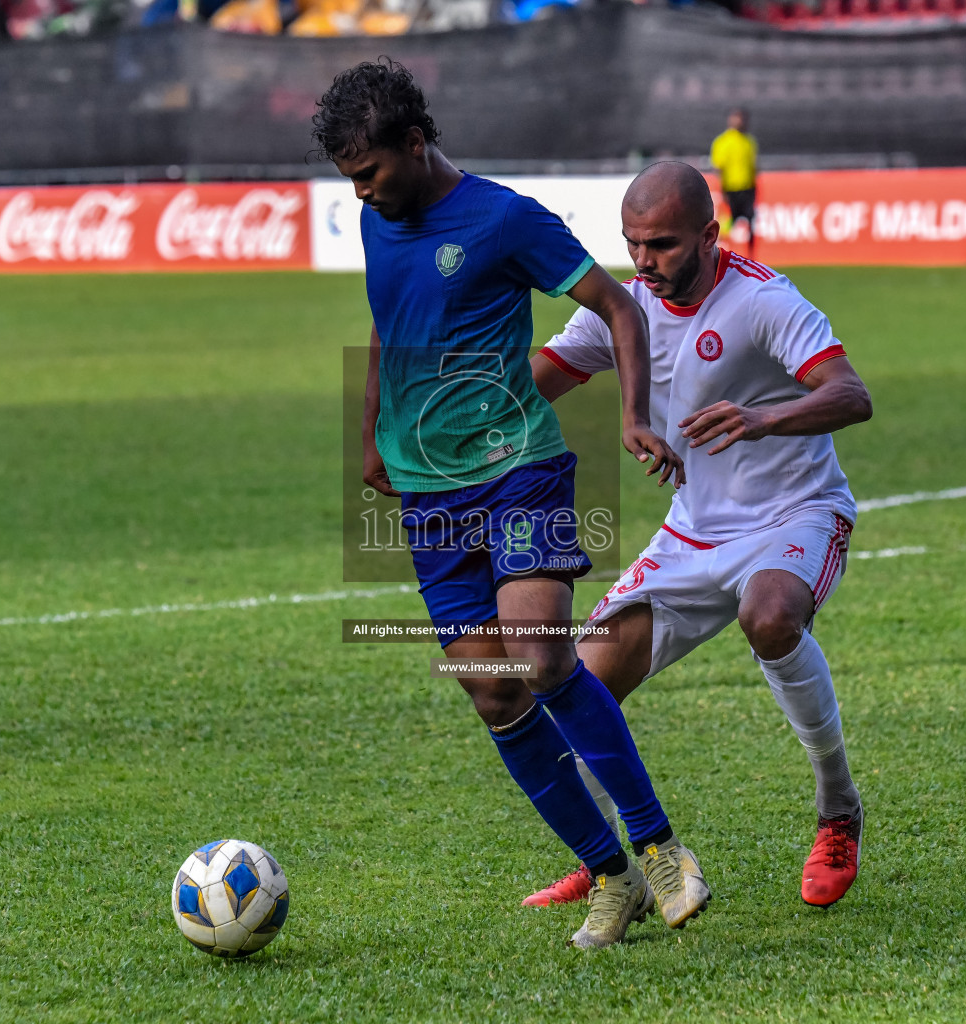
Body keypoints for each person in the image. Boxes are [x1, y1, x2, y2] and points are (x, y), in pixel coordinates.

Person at [313, 59, 709, 949]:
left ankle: (659, 849)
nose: (364, 193)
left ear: (415, 144)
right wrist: (372, 431)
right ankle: (610, 877)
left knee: (538, 654)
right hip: (426, 494)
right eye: (350, 179)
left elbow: (618, 307)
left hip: (517, 467)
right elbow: (386, 318)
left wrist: (636, 416)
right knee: (492, 692)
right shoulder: (381, 220)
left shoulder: (503, 218)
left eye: (371, 172)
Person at [527, 161, 872, 910]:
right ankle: (612, 862)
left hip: (796, 513)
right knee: (576, 682)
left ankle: (838, 810)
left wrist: (763, 417)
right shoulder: (623, 308)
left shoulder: (763, 300)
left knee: (771, 616)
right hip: (691, 536)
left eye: (662, 245)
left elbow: (852, 393)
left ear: (710, 236)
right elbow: (538, 379)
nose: (644, 262)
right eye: (633, 245)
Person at [710, 108, 758, 257]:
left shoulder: (749, 141)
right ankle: (717, 252)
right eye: (736, 118)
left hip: (747, 189)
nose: (739, 121)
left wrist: (755, 188)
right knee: (726, 224)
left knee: (751, 223)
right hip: (730, 189)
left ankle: (751, 256)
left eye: (742, 118)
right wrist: (722, 189)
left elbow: (753, 167)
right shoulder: (723, 141)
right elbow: (719, 167)